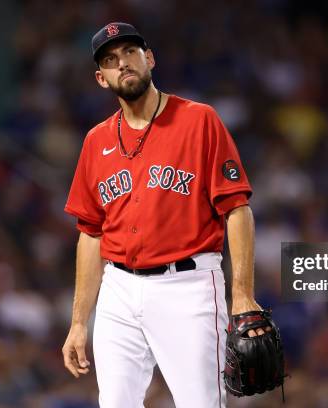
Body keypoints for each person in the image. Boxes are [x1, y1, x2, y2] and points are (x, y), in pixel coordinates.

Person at [61, 22, 266, 408]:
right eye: (110, 60)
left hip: (187, 288)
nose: (122, 64)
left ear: (149, 58)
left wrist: (242, 294)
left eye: (129, 53)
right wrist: (78, 322)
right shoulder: (96, 141)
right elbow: (90, 234)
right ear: (101, 79)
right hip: (118, 289)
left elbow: (237, 210)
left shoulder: (199, 120)